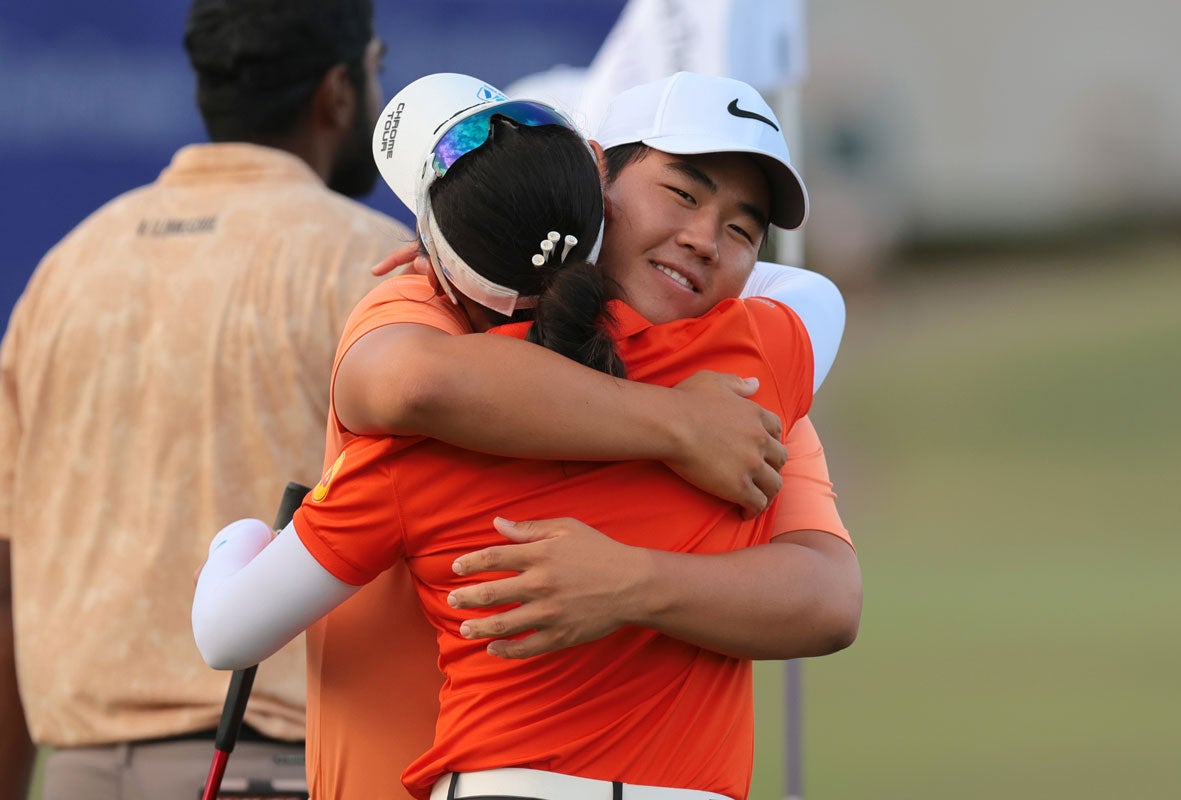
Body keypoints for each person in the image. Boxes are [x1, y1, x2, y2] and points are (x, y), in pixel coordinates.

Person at [194, 73, 860, 800]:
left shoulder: (428, 429)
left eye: (741, 229)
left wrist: (238, 539)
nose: (705, 239)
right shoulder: (750, 371)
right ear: (593, 177)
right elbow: (814, 298)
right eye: (683, 193)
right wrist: (679, 424)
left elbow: (228, 632)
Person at [0, 1, 405, 798]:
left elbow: (7, 584)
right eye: (376, 67)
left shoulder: (63, 273)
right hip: (282, 771)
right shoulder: (376, 271)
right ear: (338, 91)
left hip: (75, 774)